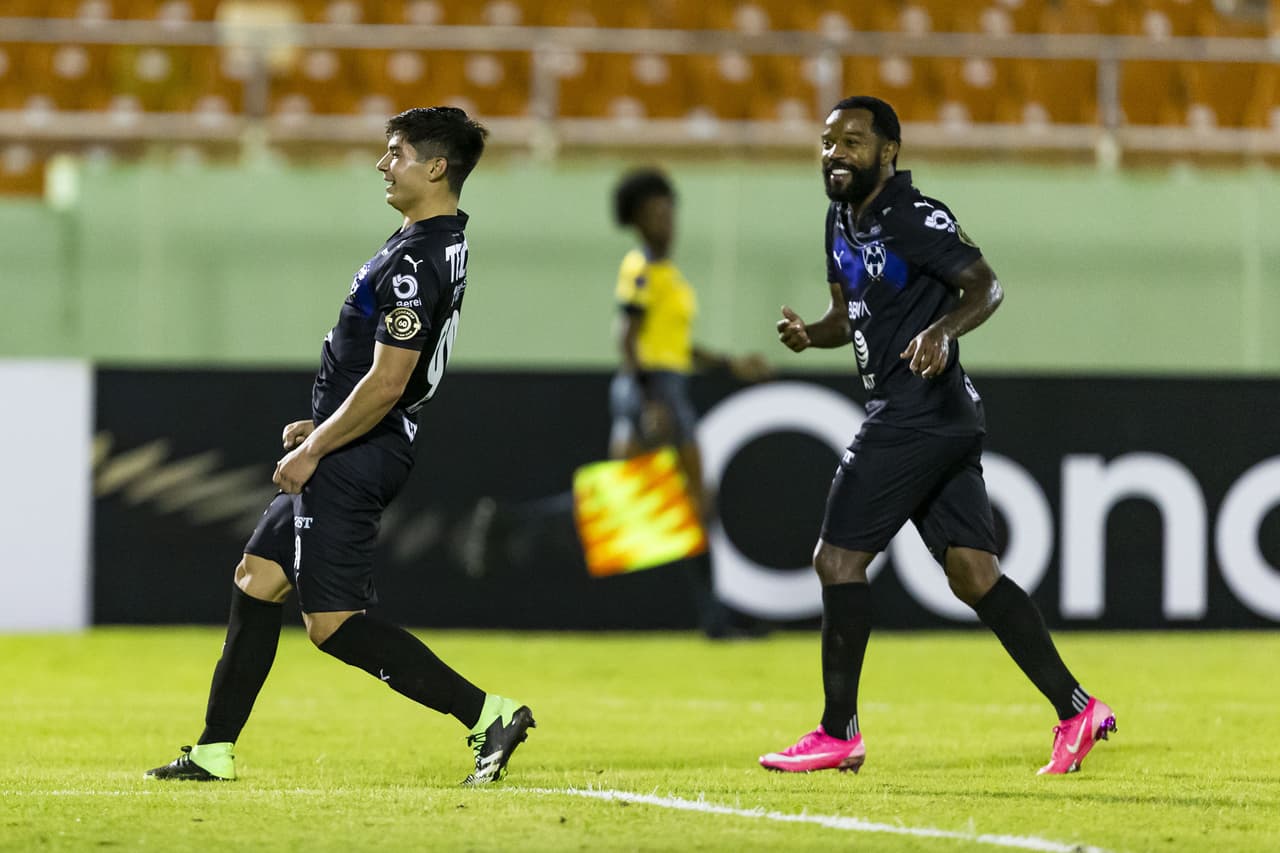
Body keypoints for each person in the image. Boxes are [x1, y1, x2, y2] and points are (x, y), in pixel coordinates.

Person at [145, 107, 534, 786]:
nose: (383, 164)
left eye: (396, 153)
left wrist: (316, 445)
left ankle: (488, 714)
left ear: (436, 167)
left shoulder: (416, 257)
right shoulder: (430, 240)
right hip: (353, 440)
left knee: (332, 623)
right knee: (257, 578)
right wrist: (321, 421)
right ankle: (213, 749)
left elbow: (389, 380)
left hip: (357, 455)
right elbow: (382, 376)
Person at [759, 96, 1114, 776]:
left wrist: (941, 330)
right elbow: (847, 313)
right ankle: (1078, 709)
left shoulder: (914, 217)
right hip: (939, 415)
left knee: (837, 561)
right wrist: (814, 333)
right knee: (974, 575)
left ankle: (839, 731)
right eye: (828, 141)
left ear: (888, 152)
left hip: (918, 406)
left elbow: (985, 286)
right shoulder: (839, 217)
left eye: (852, 142)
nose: (835, 153)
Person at [608, 168, 771, 637]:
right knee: (645, 506)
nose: (667, 222)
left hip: (665, 383)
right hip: (653, 388)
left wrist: (730, 364)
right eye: (656, 214)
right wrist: (648, 398)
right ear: (636, 221)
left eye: (669, 211)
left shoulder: (667, 274)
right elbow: (628, 336)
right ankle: (509, 530)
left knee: (679, 505)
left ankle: (715, 618)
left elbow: (676, 344)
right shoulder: (641, 269)